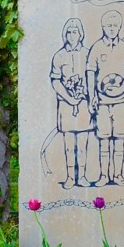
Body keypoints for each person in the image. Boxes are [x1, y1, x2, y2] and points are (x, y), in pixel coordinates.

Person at [87, 10, 124, 186]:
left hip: (121, 101)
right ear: (103, 27)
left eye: (115, 26)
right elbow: (90, 72)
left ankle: (117, 175)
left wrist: (122, 88)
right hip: (102, 102)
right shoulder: (96, 48)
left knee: (119, 140)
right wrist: (92, 95)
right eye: (108, 25)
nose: (112, 29)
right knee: (104, 140)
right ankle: (103, 176)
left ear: (120, 27)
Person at [50, 18, 93, 188]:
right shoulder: (59, 56)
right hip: (66, 105)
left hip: (83, 105)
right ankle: (70, 177)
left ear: (80, 34)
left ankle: (81, 176)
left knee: (82, 144)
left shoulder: (88, 53)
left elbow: (92, 78)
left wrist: (86, 95)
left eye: (75, 31)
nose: (72, 35)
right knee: (69, 145)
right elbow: (56, 81)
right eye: (69, 32)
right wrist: (68, 97)